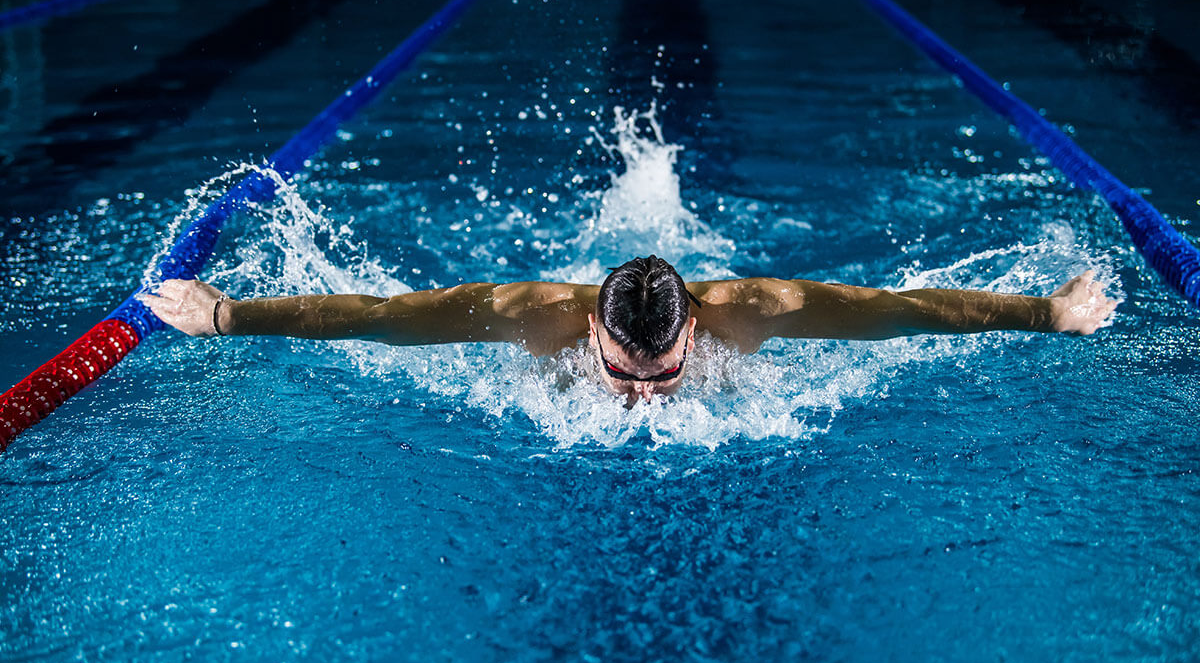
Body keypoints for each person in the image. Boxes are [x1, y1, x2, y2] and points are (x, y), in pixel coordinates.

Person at [142, 255, 1117, 406]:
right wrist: (226, 314)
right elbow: (383, 320)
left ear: (697, 323)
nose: (642, 395)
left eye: (659, 373)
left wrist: (1048, 313)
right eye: (623, 369)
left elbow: (905, 309)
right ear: (593, 333)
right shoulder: (531, 317)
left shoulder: (759, 310)